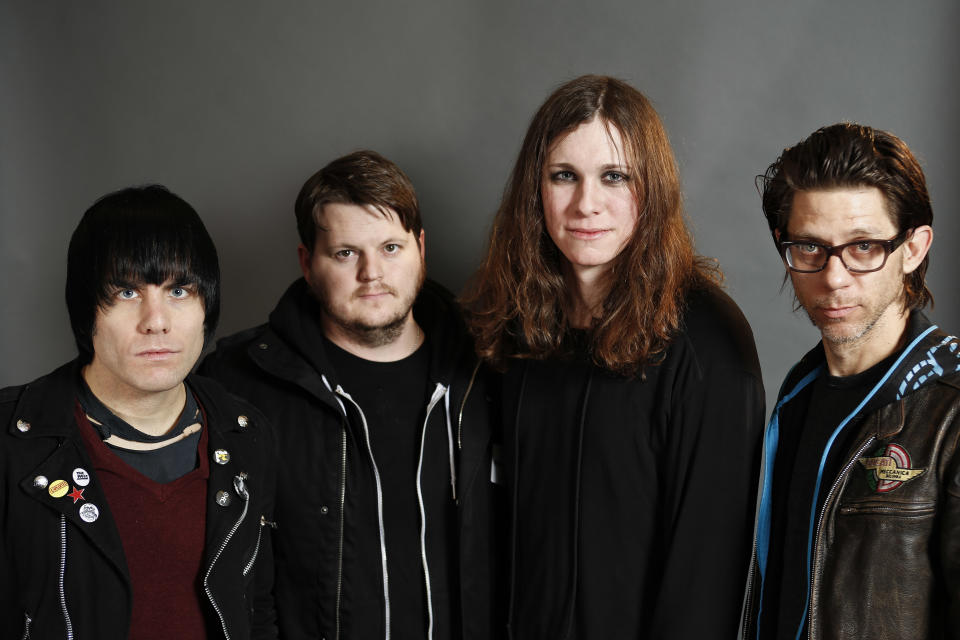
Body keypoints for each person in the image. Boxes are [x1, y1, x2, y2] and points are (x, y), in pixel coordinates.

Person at [461, 74, 765, 638]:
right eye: (563, 176)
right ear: (536, 190)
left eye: (614, 176)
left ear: (650, 189)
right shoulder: (517, 329)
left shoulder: (707, 341)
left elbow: (708, 579)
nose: (585, 204)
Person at [200, 150, 502, 640]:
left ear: (421, 248)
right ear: (307, 262)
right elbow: (226, 572)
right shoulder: (240, 385)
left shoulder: (486, 370)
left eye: (390, 248)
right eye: (345, 253)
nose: (372, 273)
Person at [0, 185, 277, 639]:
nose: (156, 320)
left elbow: (257, 607)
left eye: (180, 291)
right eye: (127, 292)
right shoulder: (13, 440)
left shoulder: (246, 435)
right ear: (85, 308)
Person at [740, 123, 958, 639]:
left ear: (914, 247)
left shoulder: (950, 409)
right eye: (811, 247)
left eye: (863, 246)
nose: (834, 278)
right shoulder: (797, 394)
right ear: (783, 245)